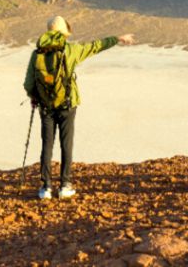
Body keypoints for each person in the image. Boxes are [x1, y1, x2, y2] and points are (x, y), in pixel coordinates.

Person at [23, 15, 135, 200]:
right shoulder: (71, 50)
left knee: (47, 145)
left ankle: (46, 188)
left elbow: (28, 83)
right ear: (63, 33)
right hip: (68, 104)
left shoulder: (37, 54)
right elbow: (95, 46)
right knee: (66, 144)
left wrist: (36, 97)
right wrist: (117, 39)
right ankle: (65, 185)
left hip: (45, 106)